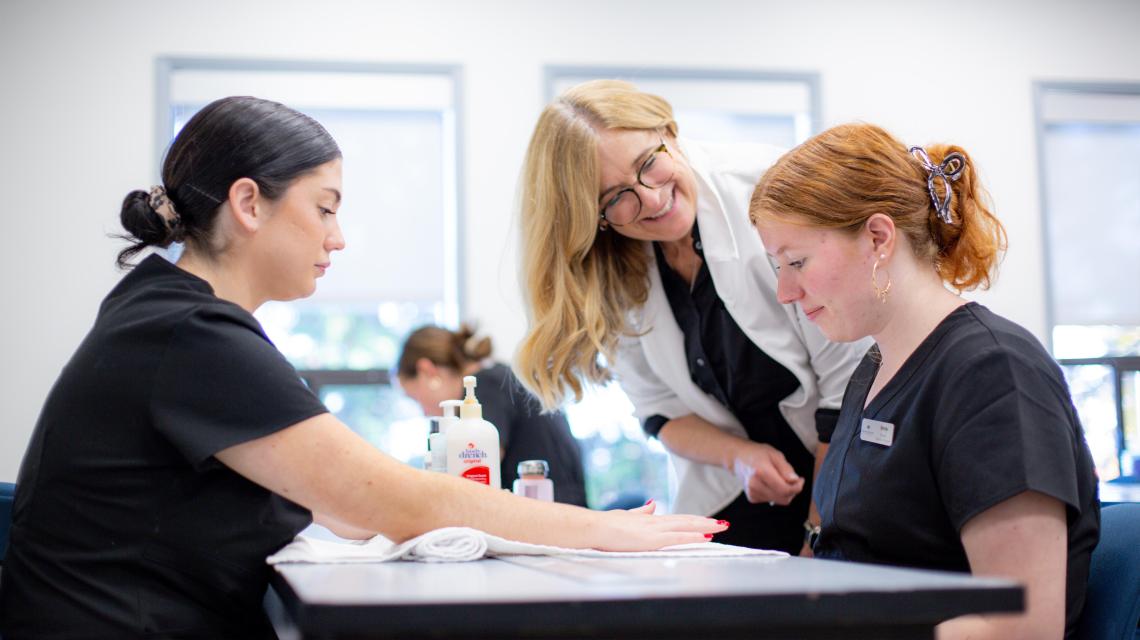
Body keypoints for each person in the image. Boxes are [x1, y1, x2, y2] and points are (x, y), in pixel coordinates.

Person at [0, 96, 725, 639]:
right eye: (324, 209)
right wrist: (603, 530)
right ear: (249, 203)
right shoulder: (189, 332)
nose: (338, 239)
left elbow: (347, 500)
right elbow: (394, 503)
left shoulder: (170, 315)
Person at [749, 122, 1099, 639]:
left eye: (796, 262)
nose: (785, 292)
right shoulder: (871, 371)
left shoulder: (993, 372)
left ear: (878, 237)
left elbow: (1023, 626)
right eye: (777, 266)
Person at [513, 80, 869, 554]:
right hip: (737, 485)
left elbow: (849, 384)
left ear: (669, 131)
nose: (653, 198)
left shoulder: (767, 191)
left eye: (649, 164)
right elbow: (660, 410)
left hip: (845, 455)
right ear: (594, 218)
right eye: (617, 196)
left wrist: (816, 535)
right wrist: (739, 457)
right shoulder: (613, 266)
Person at [396, 324, 588, 507]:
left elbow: (474, 480)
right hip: (566, 509)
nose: (424, 412)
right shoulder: (498, 376)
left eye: (414, 398)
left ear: (426, 371)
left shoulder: (485, 387)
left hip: (554, 517)